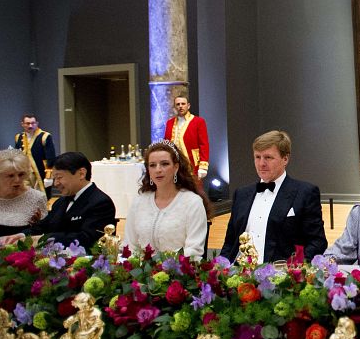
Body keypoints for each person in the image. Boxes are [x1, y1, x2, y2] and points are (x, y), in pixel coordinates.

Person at [220, 131, 327, 263]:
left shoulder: (305, 193)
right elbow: (230, 242)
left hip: (281, 277)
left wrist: (292, 269)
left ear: (285, 159)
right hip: (240, 275)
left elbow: (317, 242)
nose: (261, 164)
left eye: (268, 157)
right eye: (257, 157)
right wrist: (221, 268)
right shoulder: (241, 194)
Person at [122, 140, 209, 259]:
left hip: (178, 272)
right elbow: (130, 245)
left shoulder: (192, 202)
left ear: (176, 167)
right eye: (152, 165)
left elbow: (193, 250)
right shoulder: (139, 201)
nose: (158, 170)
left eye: (164, 164)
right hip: (140, 273)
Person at [25, 152, 116, 249]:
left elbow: (87, 239)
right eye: (54, 179)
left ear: (81, 174)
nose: (55, 184)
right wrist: (22, 236)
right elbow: (44, 226)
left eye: (59, 177)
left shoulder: (100, 203)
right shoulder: (60, 202)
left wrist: (44, 239)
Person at [163, 96, 209, 183]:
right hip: (174, 164)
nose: (180, 106)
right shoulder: (170, 123)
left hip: (192, 163)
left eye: (183, 104)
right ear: (174, 107)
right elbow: (166, 144)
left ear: (188, 106)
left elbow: (204, 144)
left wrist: (203, 166)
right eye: (178, 104)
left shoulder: (198, 121)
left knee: (194, 190)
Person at [14, 114, 56, 196]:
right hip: (24, 172)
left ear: (37, 123)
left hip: (39, 172)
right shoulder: (18, 137)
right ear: (22, 124)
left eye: (33, 123)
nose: (31, 126)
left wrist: (49, 176)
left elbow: (50, 158)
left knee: (40, 196)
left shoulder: (44, 136)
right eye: (28, 123)